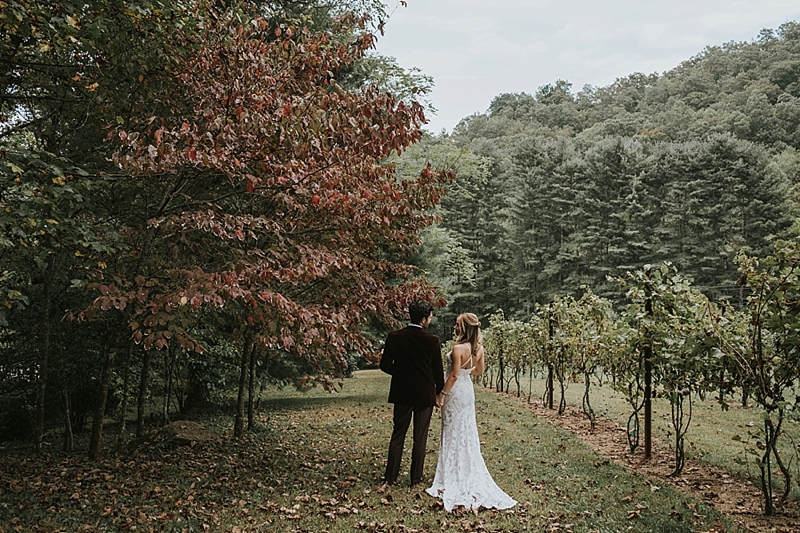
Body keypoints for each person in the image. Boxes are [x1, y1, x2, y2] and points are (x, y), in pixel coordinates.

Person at [426, 313, 517, 512]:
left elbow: (454, 374)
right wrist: (465, 373)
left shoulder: (458, 348)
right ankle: (466, 467)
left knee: (452, 429)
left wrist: (441, 394)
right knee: (466, 428)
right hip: (467, 391)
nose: (454, 327)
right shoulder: (479, 349)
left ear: (465, 328)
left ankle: (451, 474)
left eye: (458, 325)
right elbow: (478, 371)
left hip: (455, 390)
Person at [380, 299, 444, 486]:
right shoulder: (432, 341)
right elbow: (438, 372)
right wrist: (439, 393)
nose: (430, 320)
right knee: (420, 437)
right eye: (430, 317)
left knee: (398, 435)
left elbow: (384, 365)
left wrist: (400, 374)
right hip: (424, 394)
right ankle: (415, 478)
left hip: (402, 392)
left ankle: (390, 477)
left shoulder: (394, 336)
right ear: (423, 319)